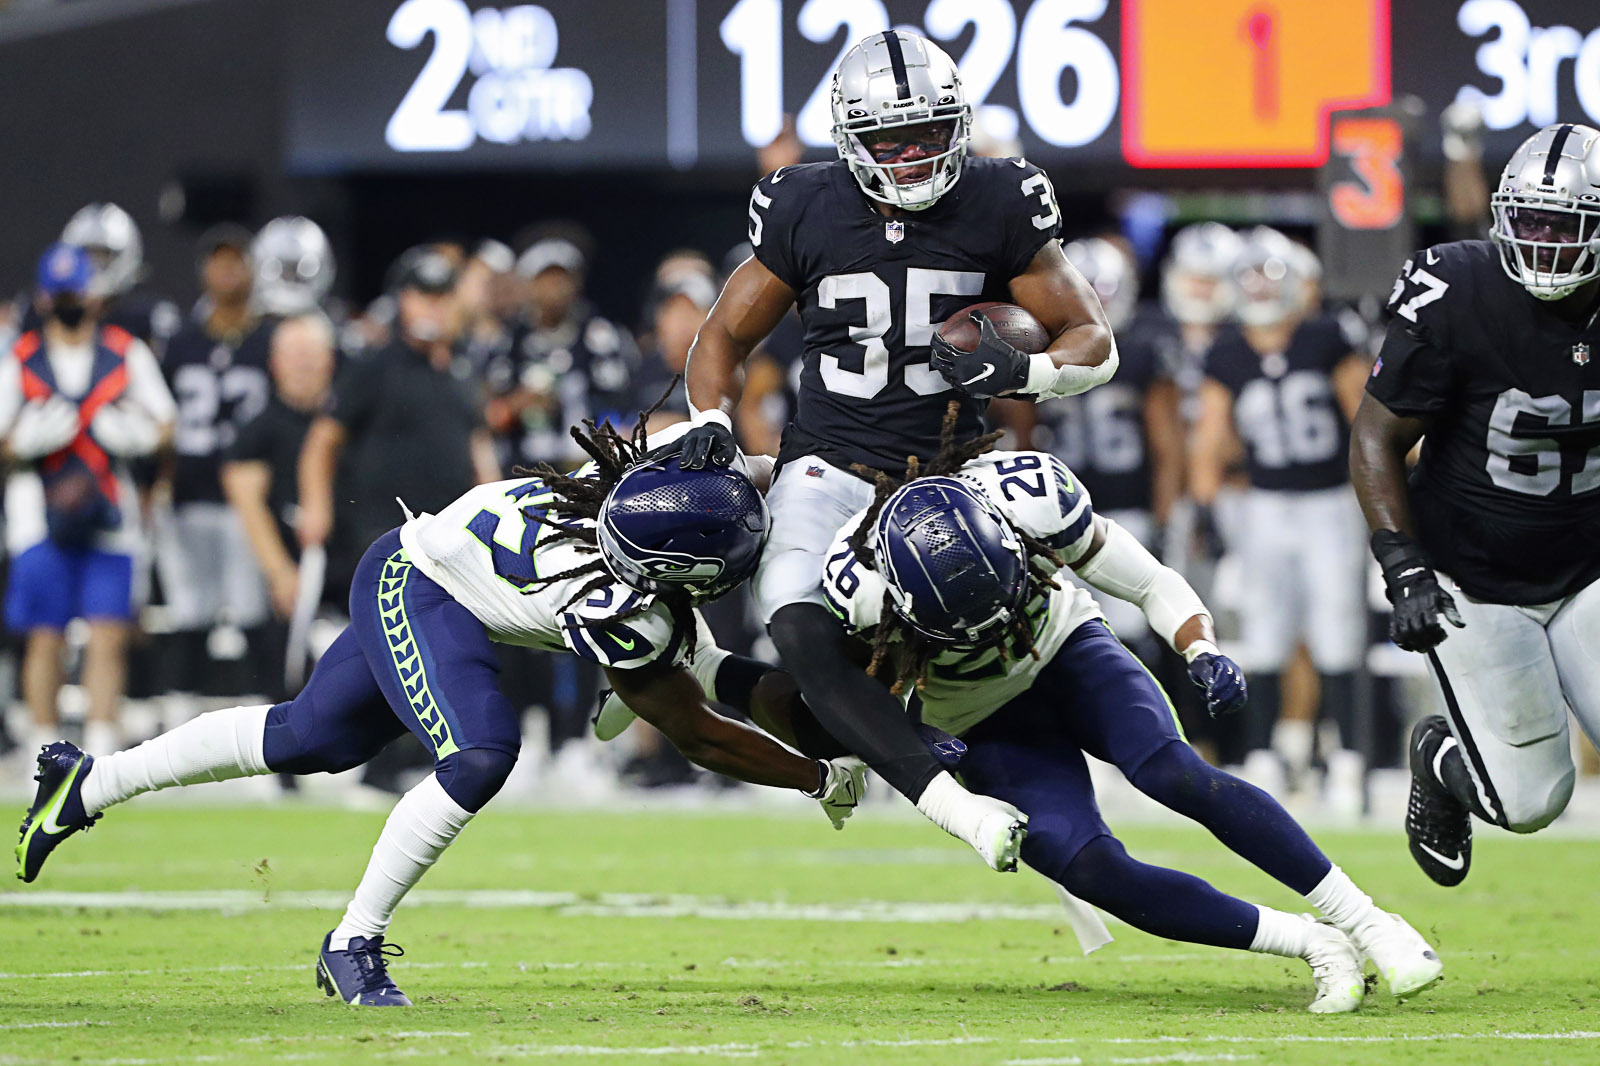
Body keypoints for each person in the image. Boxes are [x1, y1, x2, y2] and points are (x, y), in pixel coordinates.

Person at [16, 414, 868, 1009]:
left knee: (311, 736)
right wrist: (812, 775)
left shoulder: (652, 482)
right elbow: (697, 727)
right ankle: (352, 941)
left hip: (443, 576)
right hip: (420, 582)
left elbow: (717, 652)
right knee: (481, 753)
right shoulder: (621, 605)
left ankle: (87, 784)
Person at [791, 411, 1441, 1011]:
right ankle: (1312, 942)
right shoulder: (859, 585)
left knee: (1173, 772)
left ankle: (1368, 921)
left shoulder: (1028, 495)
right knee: (1090, 866)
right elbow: (856, 698)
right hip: (976, 715)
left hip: (1066, 647)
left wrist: (1200, 649)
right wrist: (919, 735)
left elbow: (1150, 581)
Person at [680, 30, 1115, 867]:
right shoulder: (804, 202)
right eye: (892, 140)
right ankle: (950, 800)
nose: (913, 157)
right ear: (851, 139)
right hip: (828, 463)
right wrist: (709, 422)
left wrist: (1033, 371)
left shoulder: (998, 197)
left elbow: (1090, 334)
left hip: (951, 470)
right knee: (796, 620)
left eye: (929, 134)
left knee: (1000, 627)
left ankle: (1074, 751)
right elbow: (722, 333)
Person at [1350, 122, 1600, 886]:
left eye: (1566, 224)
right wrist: (1404, 568)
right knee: (1531, 801)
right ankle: (1443, 760)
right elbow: (1376, 437)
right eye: (1530, 221)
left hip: (1589, 571)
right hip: (1472, 576)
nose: (1545, 241)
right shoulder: (1457, 288)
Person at [1189, 229, 1371, 795]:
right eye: (1252, 276)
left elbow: (1366, 422)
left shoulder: (1327, 336)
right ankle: (1263, 752)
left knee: (1338, 627)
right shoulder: (1227, 350)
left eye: (1271, 275)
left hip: (1331, 500)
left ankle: (1349, 756)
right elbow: (1211, 436)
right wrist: (1206, 507)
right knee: (1266, 630)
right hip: (1264, 503)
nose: (1261, 288)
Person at [0, 244, 176, 757]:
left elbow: (166, 425)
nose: (67, 301)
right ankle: (43, 745)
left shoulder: (125, 351)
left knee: (108, 633)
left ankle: (100, 743)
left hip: (110, 514)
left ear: (94, 296)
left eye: (74, 292)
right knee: (45, 635)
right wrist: (23, 442)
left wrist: (137, 435)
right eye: (59, 294)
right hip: (38, 514)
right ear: (43, 297)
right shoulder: (20, 356)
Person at [154, 225, 276, 696]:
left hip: (251, 502)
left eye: (236, 260)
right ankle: (181, 718)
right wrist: (157, 486)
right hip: (190, 493)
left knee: (253, 614)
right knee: (189, 614)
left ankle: (264, 724)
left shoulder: (268, 338)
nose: (226, 270)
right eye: (218, 260)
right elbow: (162, 418)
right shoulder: (181, 341)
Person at [222, 313, 338, 702]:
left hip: (351, 555)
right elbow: (246, 499)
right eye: (293, 355)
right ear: (274, 363)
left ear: (330, 360)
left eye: (311, 354)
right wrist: (279, 570)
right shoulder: (260, 427)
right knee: (288, 666)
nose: (303, 364)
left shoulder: (350, 417)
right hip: (293, 557)